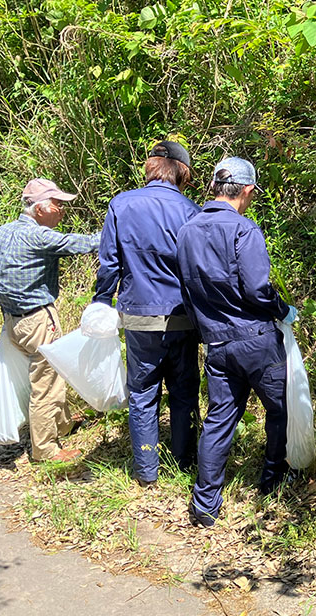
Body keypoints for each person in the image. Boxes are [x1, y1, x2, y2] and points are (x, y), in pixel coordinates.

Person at [176, 157, 299, 528]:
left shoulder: (187, 231)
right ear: (246, 191)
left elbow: (187, 291)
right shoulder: (244, 230)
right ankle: (272, 479)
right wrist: (283, 309)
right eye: (252, 194)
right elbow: (257, 288)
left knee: (219, 418)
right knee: (279, 410)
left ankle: (204, 505)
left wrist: (206, 330)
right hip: (256, 338)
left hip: (216, 342)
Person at [93, 141, 202, 488]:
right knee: (184, 390)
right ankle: (184, 463)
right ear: (182, 171)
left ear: (151, 168)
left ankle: (146, 472)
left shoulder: (121, 204)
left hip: (138, 316)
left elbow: (109, 263)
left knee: (142, 392)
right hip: (182, 317)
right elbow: (199, 269)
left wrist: (101, 302)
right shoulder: (192, 211)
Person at [0, 178, 100, 462]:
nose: (62, 210)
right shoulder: (38, 236)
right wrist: (120, 229)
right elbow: (84, 243)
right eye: (57, 204)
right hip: (38, 318)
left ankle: (62, 424)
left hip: (13, 320)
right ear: (39, 209)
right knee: (46, 382)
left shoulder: (2, 232)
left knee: (51, 373)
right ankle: (46, 449)